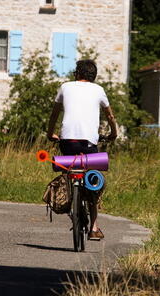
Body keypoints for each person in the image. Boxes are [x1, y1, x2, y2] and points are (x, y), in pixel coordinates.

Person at [46, 59, 117, 241]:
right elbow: (110, 115)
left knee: (69, 173)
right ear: (93, 76)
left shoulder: (65, 87)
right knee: (92, 179)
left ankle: (72, 205)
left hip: (67, 141)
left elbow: (55, 113)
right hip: (88, 144)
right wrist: (114, 133)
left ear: (77, 73)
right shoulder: (98, 90)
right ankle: (93, 227)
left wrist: (50, 133)